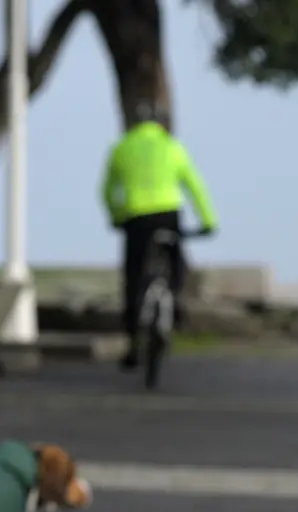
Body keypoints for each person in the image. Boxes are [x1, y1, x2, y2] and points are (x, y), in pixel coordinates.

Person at [101, 101, 219, 370]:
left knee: (133, 276)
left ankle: (133, 338)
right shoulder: (172, 147)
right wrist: (208, 221)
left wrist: (116, 216)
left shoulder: (121, 147)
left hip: (135, 217)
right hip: (167, 213)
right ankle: (175, 303)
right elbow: (195, 186)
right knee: (175, 261)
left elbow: (107, 190)